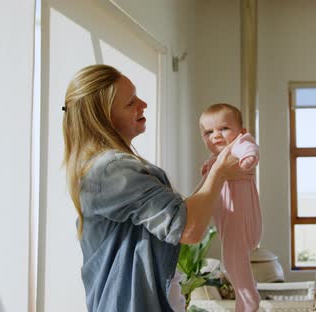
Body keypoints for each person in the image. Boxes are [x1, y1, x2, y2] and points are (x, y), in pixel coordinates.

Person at [62, 64, 246, 312]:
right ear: (104, 118)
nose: (143, 104)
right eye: (130, 102)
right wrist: (220, 172)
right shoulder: (112, 171)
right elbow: (189, 228)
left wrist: (215, 171)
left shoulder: (109, 167)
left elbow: (179, 215)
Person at [198, 103, 262, 312]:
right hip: (227, 220)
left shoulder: (238, 145)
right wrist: (209, 167)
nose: (216, 135)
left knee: (233, 260)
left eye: (223, 128)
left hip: (240, 217)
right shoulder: (218, 158)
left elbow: (250, 147)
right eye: (208, 132)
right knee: (230, 262)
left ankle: (249, 299)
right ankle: (244, 301)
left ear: (240, 131)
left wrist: (248, 158)